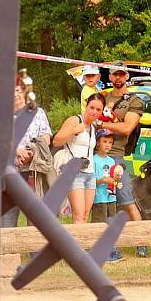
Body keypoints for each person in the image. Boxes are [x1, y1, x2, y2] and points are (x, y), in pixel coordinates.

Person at [104, 62, 148, 257]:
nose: (118, 78)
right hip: (97, 155)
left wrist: (103, 124)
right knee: (103, 203)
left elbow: (127, 128)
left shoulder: (134, 100)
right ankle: (108, 245)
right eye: (115, 74)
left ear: (127, 76)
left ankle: (142, 241)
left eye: (122, 74)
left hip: (117, 156)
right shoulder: (103, 97)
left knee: (127, 200)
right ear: (111, 77)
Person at [52, 92, 105, 224]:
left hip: (90, 173)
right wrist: (74, 130)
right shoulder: (75, 120)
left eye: (98, 109)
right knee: (79, 215)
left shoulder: (93, 127)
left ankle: (81, 244)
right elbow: (56, 141)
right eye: (92, 107)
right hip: (74, 172)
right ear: (86, 106)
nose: (94, 112)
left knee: (86, 215)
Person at [92, 128, 124, 263]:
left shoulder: (112, 161)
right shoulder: (94, 160)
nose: (107, 145)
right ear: (97, 143)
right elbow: (92, 180)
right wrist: (103, 180)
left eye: (110, 142)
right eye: (104, 141)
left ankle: (111, 249)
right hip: (99, 198)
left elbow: (115, 178)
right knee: (100, 224)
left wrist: (117, 179)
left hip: (111, 197)